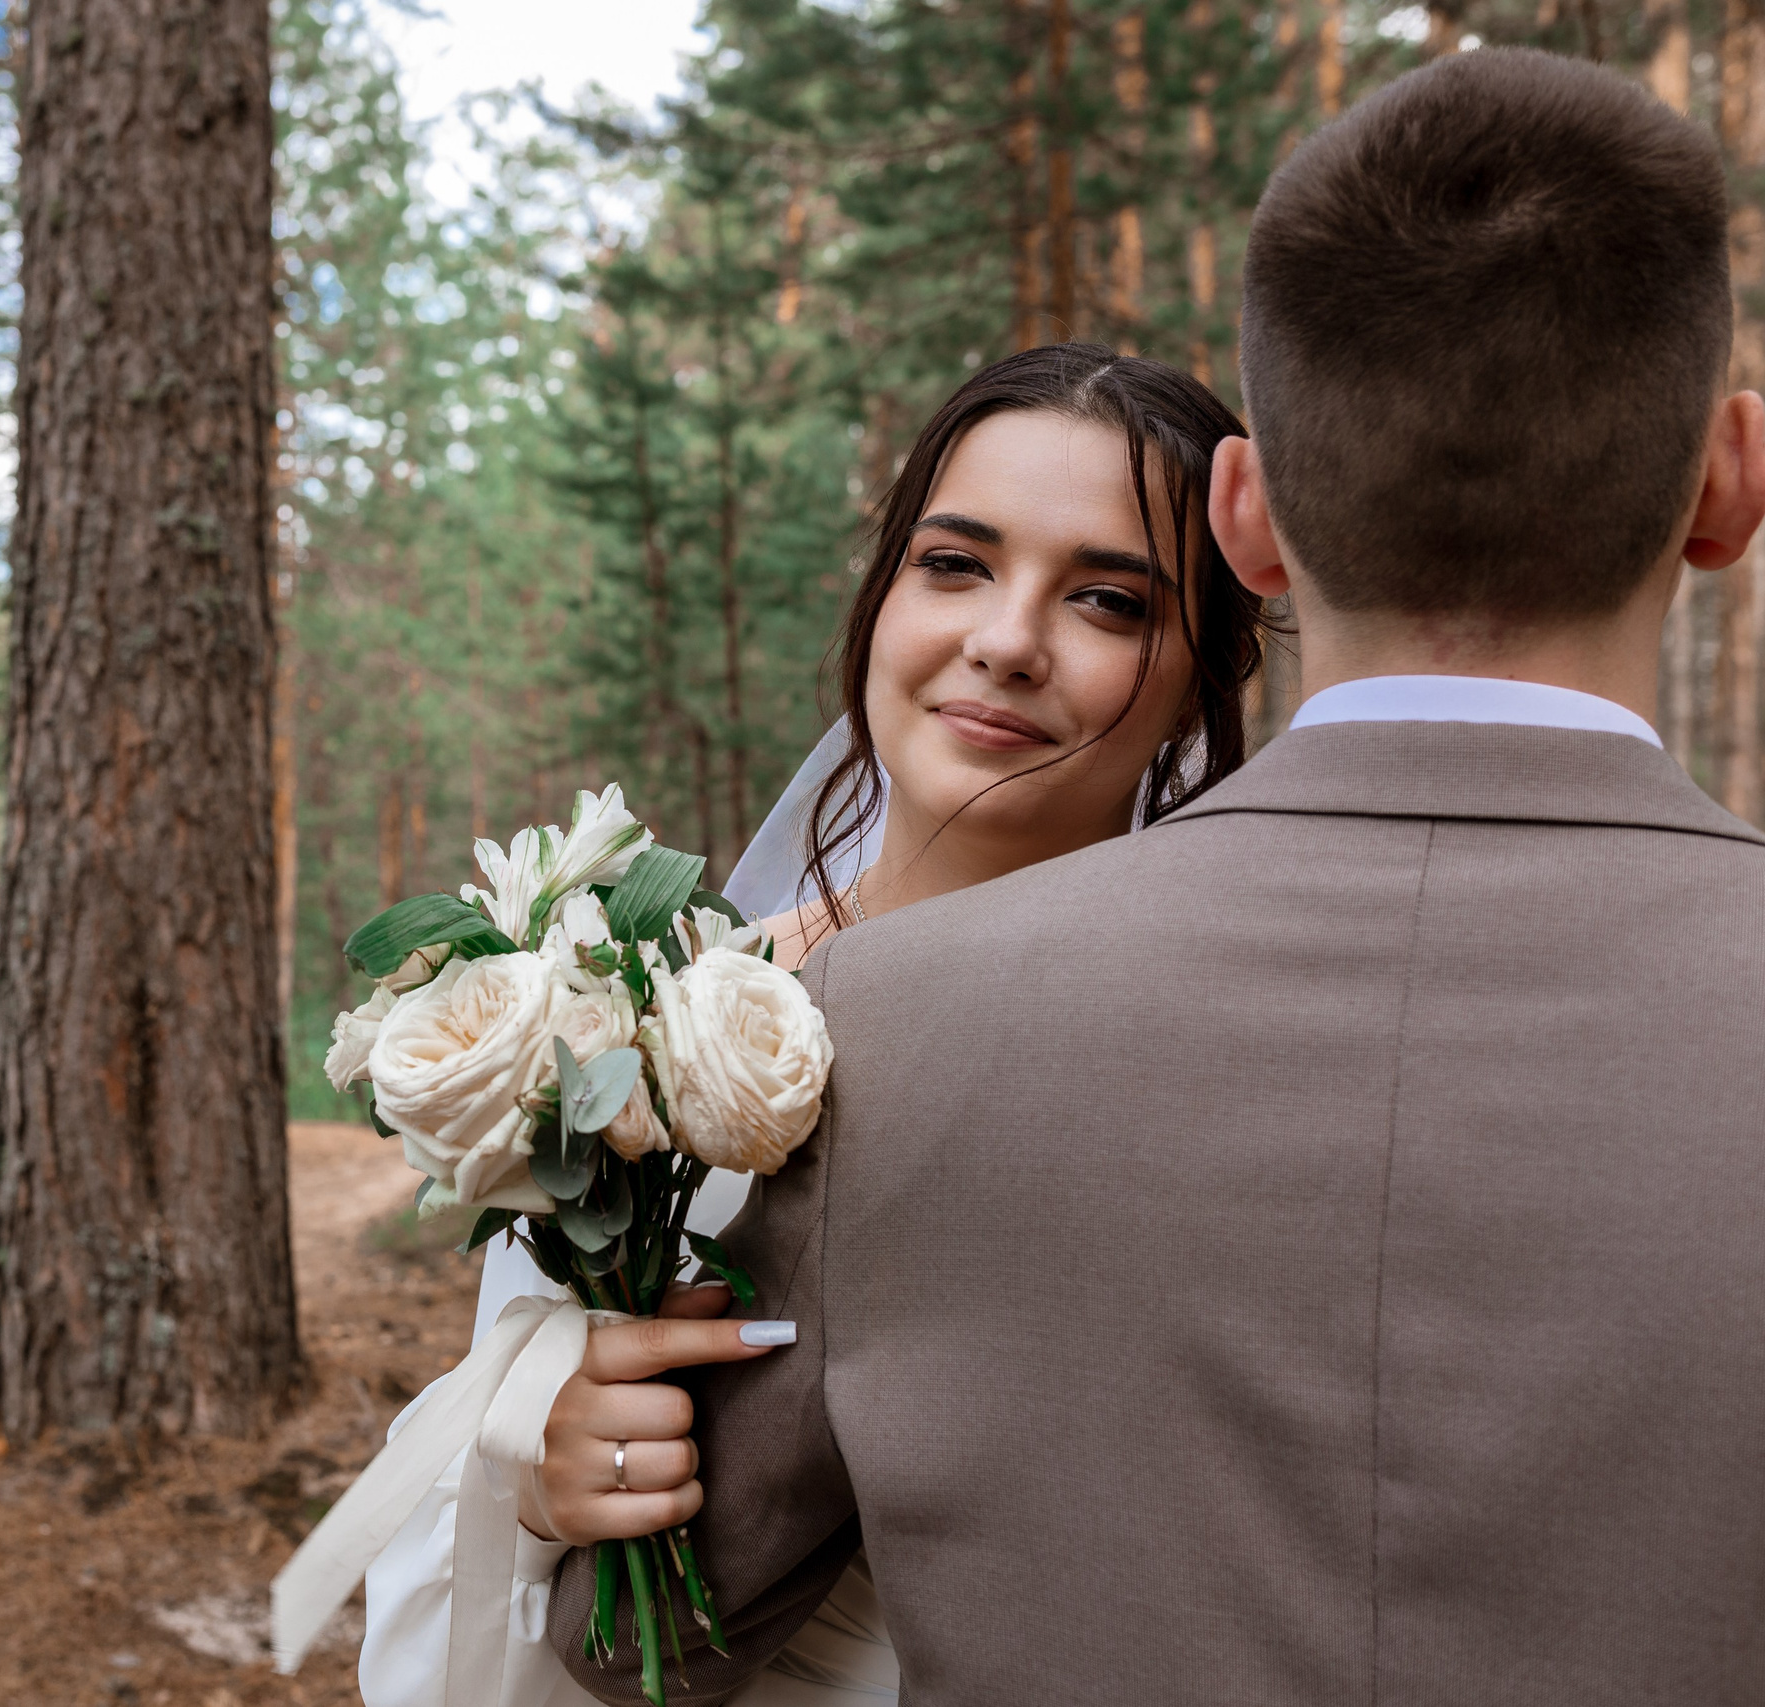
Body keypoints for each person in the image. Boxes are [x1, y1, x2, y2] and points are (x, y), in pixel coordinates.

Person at [536, 46, 1765, 1707]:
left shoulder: (888, 1024)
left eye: (1111, 596)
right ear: (1728, 481)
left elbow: (652, 1651)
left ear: (1245, 520)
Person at [358, 340, 1270, 1707]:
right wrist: (543, 1471)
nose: (1007, 641)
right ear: (881, 594)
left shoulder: (1226, 1068)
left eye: (1107, 600)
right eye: (954, 564)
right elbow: (509, 1412)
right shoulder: (642, 1004)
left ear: (1205, 673)